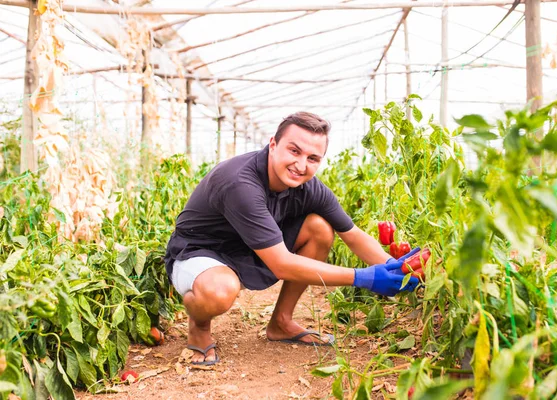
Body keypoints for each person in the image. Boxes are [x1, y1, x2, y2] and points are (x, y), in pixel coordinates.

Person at [164, 112, 426, 366]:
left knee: (320, 228)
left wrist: (398, 269)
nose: (301, 166)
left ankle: (281, 322)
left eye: (313, 158)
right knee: (219, 291)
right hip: (199, 253)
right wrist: (364, 277)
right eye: (294, 151)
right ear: (273, 144)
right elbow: (281, 263)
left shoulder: (309, 187)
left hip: (250, 248)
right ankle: (199, 327)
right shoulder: (240, 183)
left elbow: (353, 235)